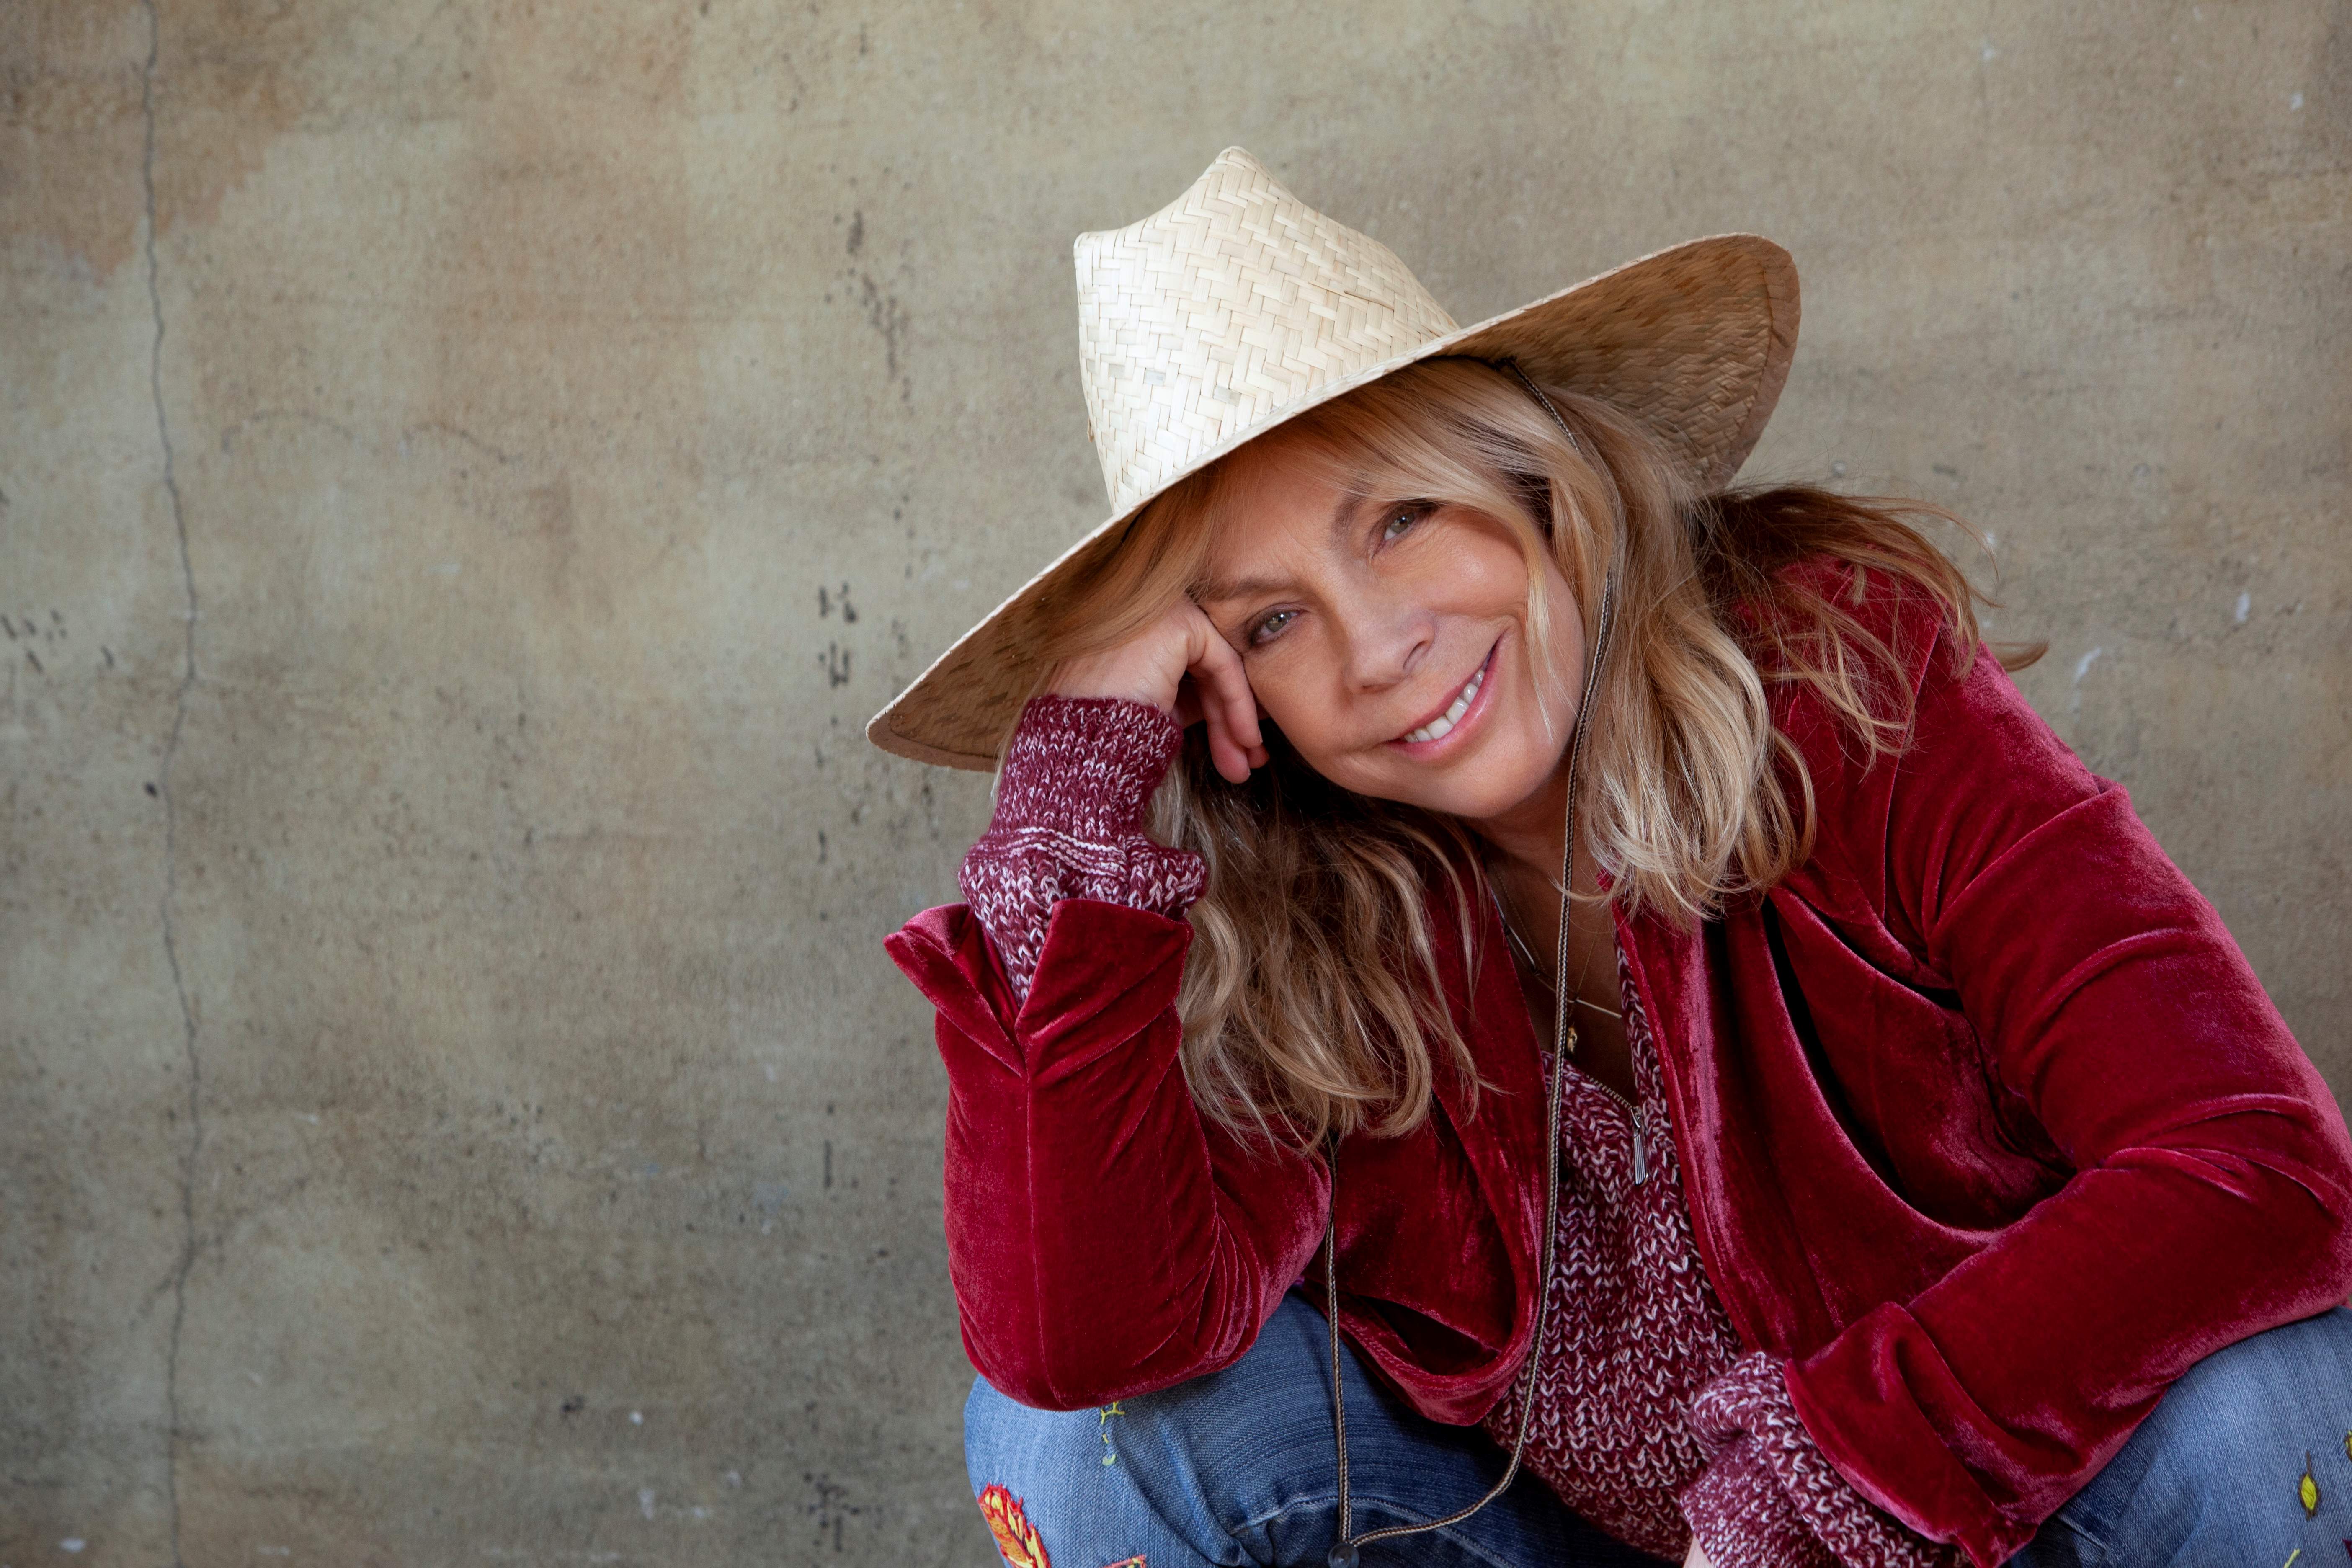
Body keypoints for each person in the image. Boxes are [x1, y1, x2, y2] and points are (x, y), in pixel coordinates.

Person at [870, 148, 2352, 1568]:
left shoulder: (1844, 683)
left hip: (2011, 1530)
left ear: (1528, 487)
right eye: (1269, 621)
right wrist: (1069, 800)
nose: (1382, 650)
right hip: (1581, 1552)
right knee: (1080, 1442)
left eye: (1399, 522)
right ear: (1228, 703)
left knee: (2264, 1397)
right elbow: (1078, 1347)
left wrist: (1838, 1469)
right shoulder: (1297, 918)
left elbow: (2264, 1162)